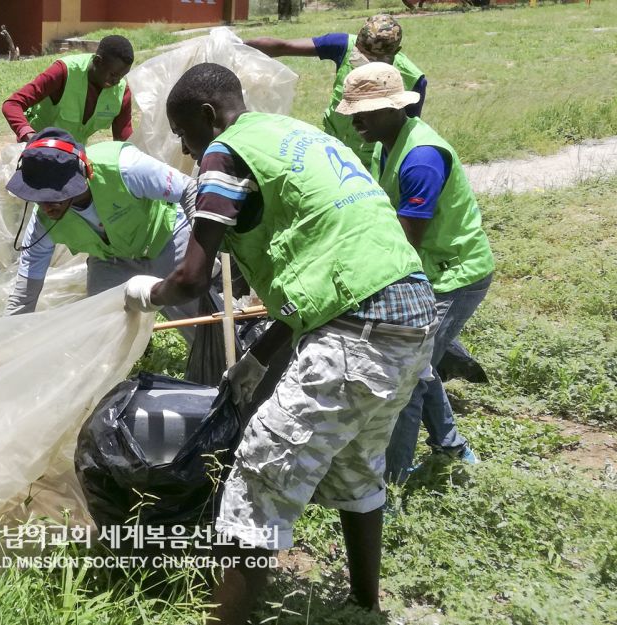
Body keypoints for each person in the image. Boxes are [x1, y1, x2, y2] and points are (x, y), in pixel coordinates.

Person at [123, 63, 437, 623]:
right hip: (409, 319)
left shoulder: (225, 152)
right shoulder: (296, 136)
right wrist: (258, 356)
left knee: (256, 484)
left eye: (183, 136)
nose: (187, 152)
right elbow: (322, 270)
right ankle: (365, 604)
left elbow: (192, 279)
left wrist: (146, 292)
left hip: (355, 331)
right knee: (357, 469)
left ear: (206, 115)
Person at [337, 62, 495, 482]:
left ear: (392, 108)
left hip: (453, 276)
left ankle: (391, 482)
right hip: (429, 271)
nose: (355, 122)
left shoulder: (420, 160)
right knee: (420, 365)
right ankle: (453, 446)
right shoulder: (384, 142)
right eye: (352, 112)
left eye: (363, 113)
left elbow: (405, 243)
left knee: (404, 379)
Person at [5, 127, 199, 336]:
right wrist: (6, 339)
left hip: (166, 237)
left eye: (54, 197)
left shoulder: (123, 166)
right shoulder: (43, 221)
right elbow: (25, 293)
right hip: (111, 259)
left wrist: (202, 250)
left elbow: (188, 189)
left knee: (200, 323)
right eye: (38, 198)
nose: (46, 207)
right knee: (101, 331)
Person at [245, 14, 426, 167]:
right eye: (362, 52)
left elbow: (405, 135)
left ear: (396, 52)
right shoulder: (344, 45)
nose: (365, 59)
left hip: (372, 162)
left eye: (375, 57)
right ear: (358, 41)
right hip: (330, 149)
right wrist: (236, 44)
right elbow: (284, 47)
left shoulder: (412, 78)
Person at [1, 35, 135, 145]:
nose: (116, 81)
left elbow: (123, 140)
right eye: (113, 74)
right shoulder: (64, 72)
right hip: (37, 151)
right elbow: (12, 104)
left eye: (122, 76)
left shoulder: (122, 92)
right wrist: (29, 136)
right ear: (98, 61)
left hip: (71, 158)